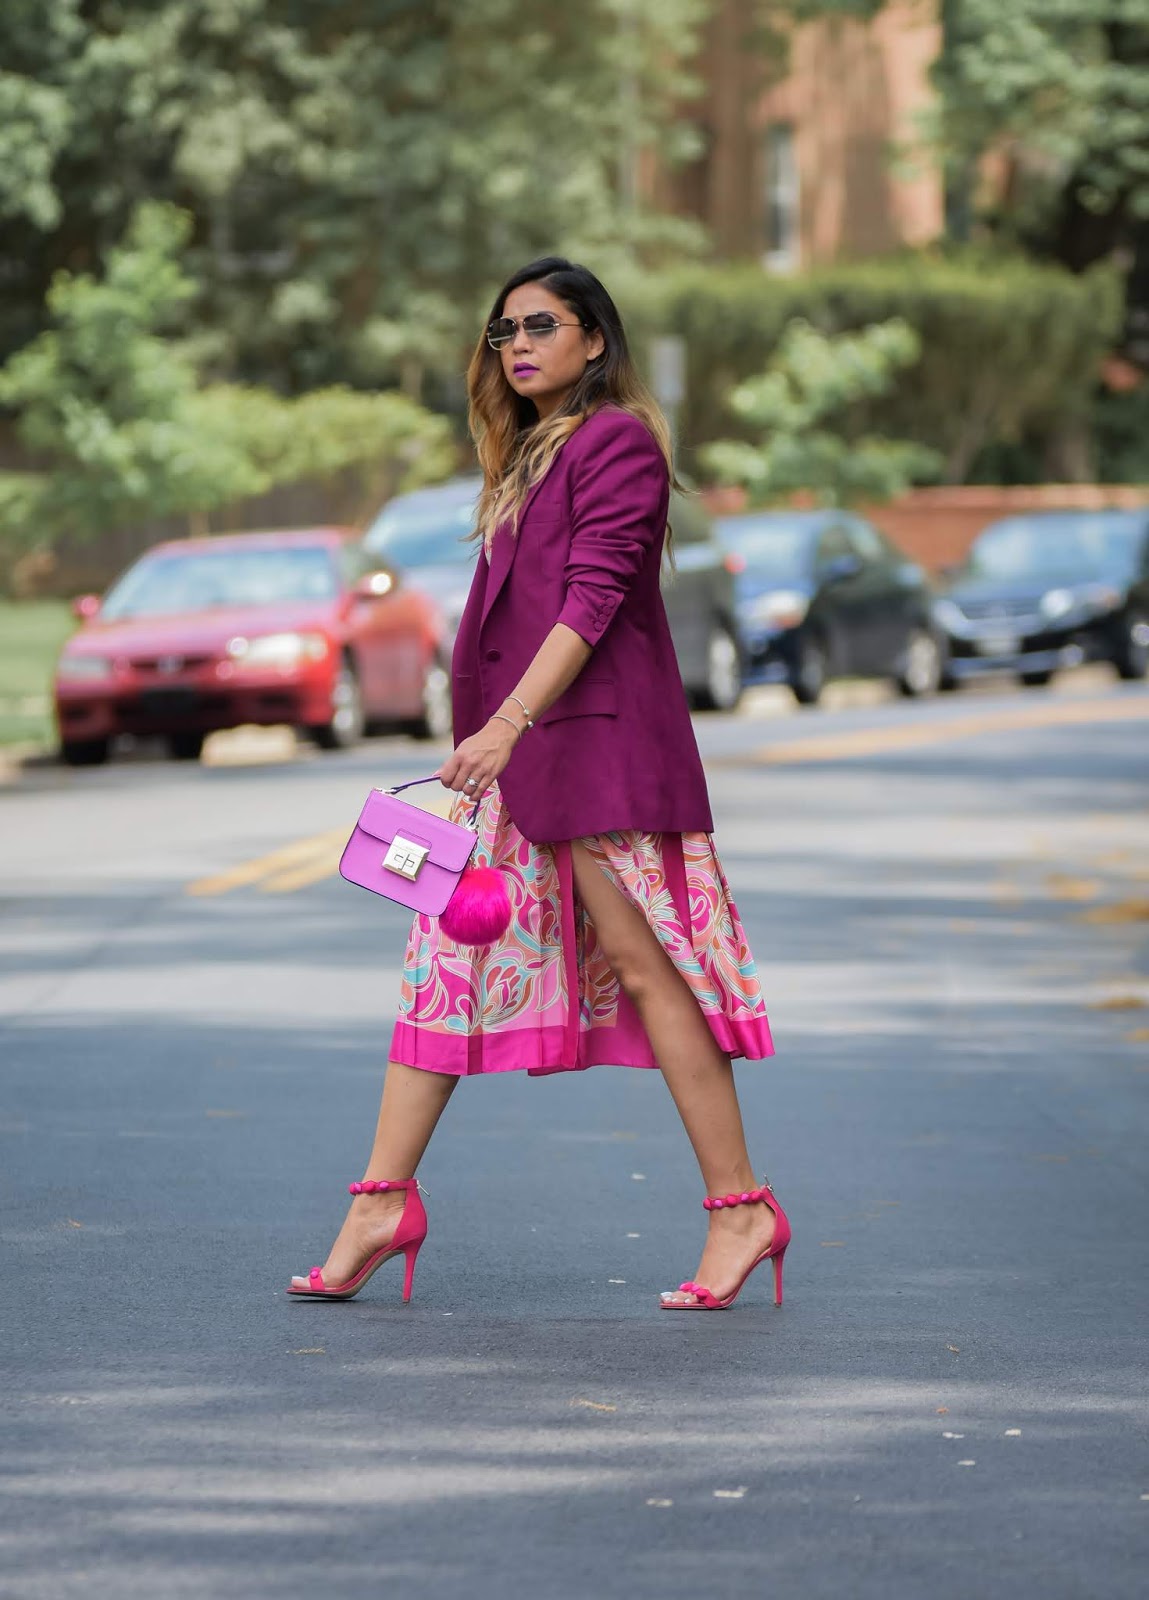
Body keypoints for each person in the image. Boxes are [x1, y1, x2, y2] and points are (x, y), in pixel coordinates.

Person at [289, 257, 789, 1311]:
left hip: (593, 754)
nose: (517, 343)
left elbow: (593, 600)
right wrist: (491, 729)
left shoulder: (616, 442)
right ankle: (381, 1199)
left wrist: (508, 721)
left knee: (653, 979)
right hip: (520, 761)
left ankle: (740, 1206)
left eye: (542, 325)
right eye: (503, 329)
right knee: (441, 966)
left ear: (594, 340)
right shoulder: (525, 455)